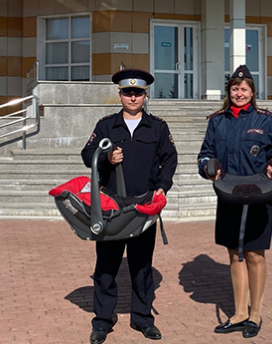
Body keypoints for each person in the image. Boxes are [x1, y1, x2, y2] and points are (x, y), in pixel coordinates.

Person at [80, 68, 177, 344]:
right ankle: (102, 321)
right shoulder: (106, 126)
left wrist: (162, 186)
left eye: (137, 93)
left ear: (145, 95)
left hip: (144, 206)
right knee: (106, 266)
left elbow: (170, 159)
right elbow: (87, 154)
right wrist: (106, 157)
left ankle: (143, 319)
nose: (132, 97)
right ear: (119, 95)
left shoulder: (157, 127)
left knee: (142, 266)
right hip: (111, 207)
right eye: (127, 92)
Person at [197, 65, 272, 339]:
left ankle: (255, 314)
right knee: (234, 252)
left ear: (252, 92)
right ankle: (239, 314)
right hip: (229, 195)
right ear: (229, 91)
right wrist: (208, 167)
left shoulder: (266, 121)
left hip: (258, 195)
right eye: (235, 88)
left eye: (244, 89)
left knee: (254, 253)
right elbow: (205, 154)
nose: (239, 93)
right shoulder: (217, 121)